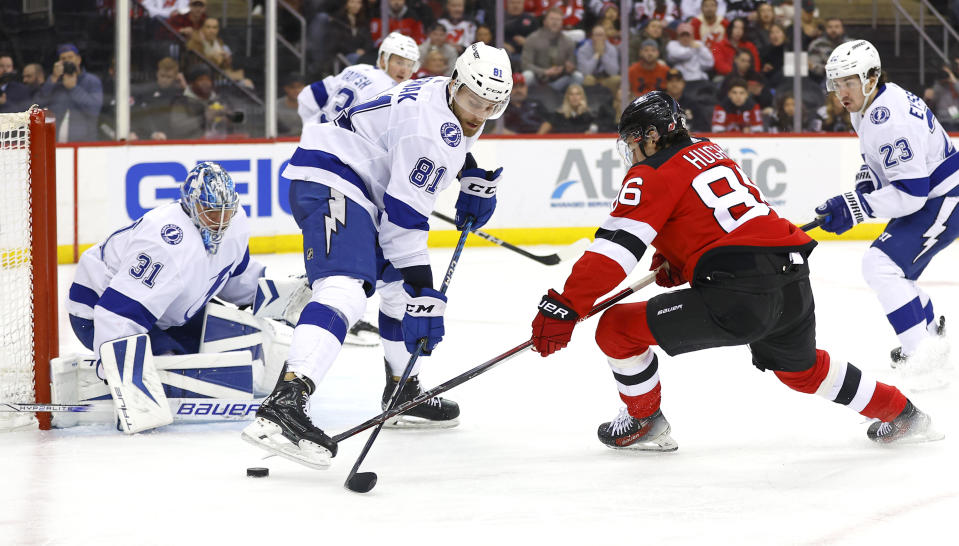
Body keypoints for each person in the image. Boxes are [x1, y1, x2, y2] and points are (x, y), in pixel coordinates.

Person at [528, 90, 942, 451]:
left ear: (651, 136)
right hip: (792, 275)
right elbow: (713, 221)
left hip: (740, 290)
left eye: (632, 141)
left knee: (615, 328)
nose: (631, 152)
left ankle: (644, 421)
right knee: (801, 370)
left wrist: (566, 305)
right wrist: (680, 258)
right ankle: (903, 413)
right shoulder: (710, 149)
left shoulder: (649, 174)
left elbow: (614, 251)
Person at [242, 43, 513, 468]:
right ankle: (285, 405)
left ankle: (401, 390)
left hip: (355, 183)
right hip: (334, 181)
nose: (479, 113)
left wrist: (470, 172)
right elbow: (403, 225)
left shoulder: (443, 92)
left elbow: (443, 139)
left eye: (491, 106)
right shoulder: (431, 133)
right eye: (473, 101)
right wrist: (426, 289)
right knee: (347, 290)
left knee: (398, 292)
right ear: (457, 84)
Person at [65, 162, 268, 431]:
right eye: (210, 213)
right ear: (191, 206)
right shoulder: (166, 243)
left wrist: (266, 293)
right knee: (171, 361)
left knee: (241, 338)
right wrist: (122, 378)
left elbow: (230, 278)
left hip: (166, 311)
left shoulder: (236, 222)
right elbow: (117, 313)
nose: (220, 223)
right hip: (96, 311)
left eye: (225, 213)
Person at [813, 40, 956, 385]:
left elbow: (911, 194)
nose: (841, 92)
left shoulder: (890, 120)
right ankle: (927, 333)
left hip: (945, 199)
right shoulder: (870, 104)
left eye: (849, 81)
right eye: (837, 83)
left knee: (881, 265)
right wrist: (866, 185)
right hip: (935, 194)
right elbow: (883, 164)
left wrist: (855, 207)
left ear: (872, 76)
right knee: (891, 269)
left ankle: (921, 355)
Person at [297, 32, 420, 126]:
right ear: (383, 60)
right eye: (399, 62)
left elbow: (309, 95)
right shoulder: (391, 92)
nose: (404, 70)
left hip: (316, 141)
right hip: (343, 152)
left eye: (410, 65)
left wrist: (312, 128)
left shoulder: (357, 69)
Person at [36, 44, 104, 142]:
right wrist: (53, 79)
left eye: (70, 57)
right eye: (63, 59)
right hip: (55, 144)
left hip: (85, 144)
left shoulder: (92, 81)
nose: (67, 61)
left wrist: (73, 88)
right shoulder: (55, 82)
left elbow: (94, 109)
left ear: (78, 59)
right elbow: (38, 105)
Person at [521, 7, 583, 93]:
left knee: (577, 76)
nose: (555, 22)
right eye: (552, 19)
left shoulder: (568, 42)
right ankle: (522, 104)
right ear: (544, 21)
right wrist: (545, 72)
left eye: (558, 20)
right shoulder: (532, 39)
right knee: (527, 75)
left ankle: (571, 104)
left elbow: (572, 64)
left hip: (558, 82)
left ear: (562, 22)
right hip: (538, 81)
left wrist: (568, 69)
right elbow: (525, 64)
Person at [132, 57, 185, 140]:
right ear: (157, 74)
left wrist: (185, 88)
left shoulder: (179, 92)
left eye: (168, 77)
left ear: (175, 77)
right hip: (148, 136)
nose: (164, 80)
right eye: (162, 76)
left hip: (173, 138)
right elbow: (139, 116)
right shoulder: (145, 91)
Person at [806, 17, 850, 83]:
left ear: (842, 29)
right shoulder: (817, 45)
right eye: (830, 27)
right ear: (825, 29)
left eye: (837, 27)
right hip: (823, 80)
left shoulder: (851, 44)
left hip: (848, 78)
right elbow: (813, 67)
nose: (833, 30)